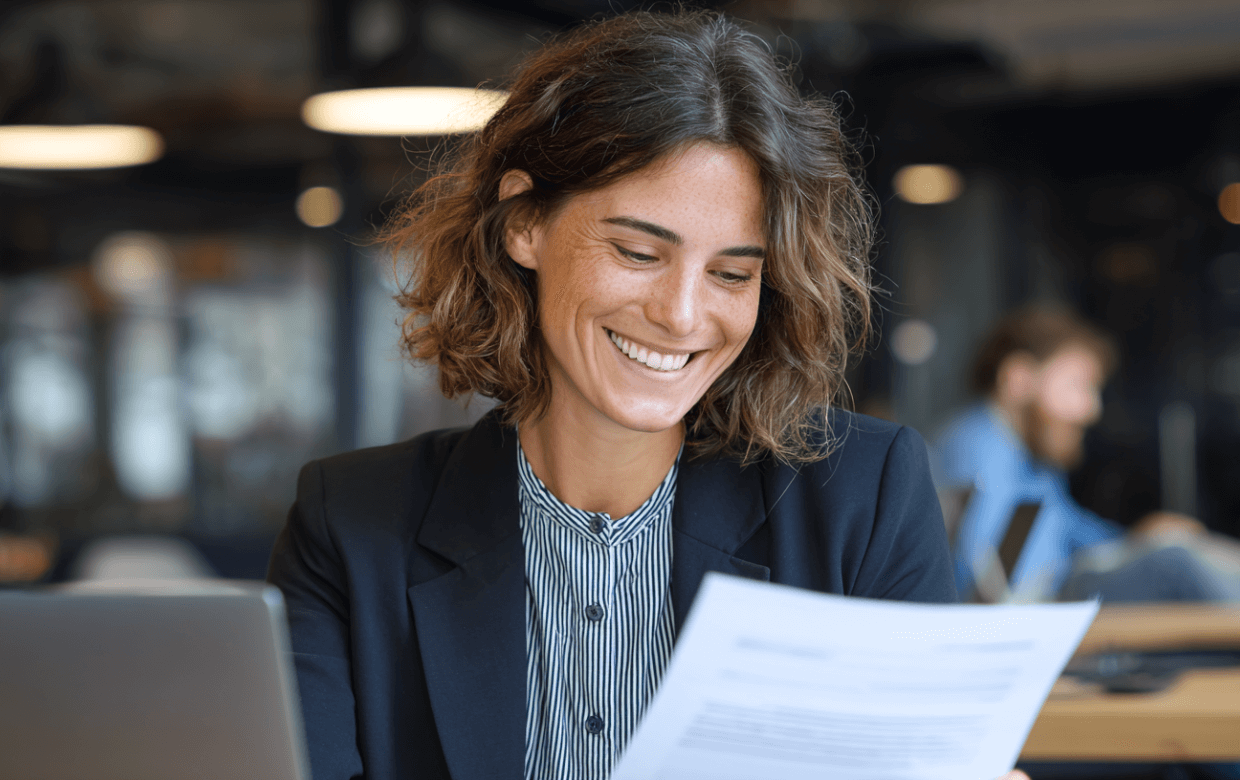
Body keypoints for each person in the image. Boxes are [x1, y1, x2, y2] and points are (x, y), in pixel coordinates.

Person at [268, 11, 962, 780]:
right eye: (638, 252)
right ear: (524, 223)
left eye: (732, 273)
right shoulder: (350, 526)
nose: (682, 314)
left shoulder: (861, 500)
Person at [935, 306, 1238, 603]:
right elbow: (993, 581)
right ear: (1018, 379)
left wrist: (1138, 539)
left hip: (1052, 601)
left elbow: (1071, 530)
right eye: (1077, 386)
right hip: (1030, 616)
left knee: (1187, 551)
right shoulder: (977, 447)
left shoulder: (1033, 459)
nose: (1092, 410)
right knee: (1175, 566)